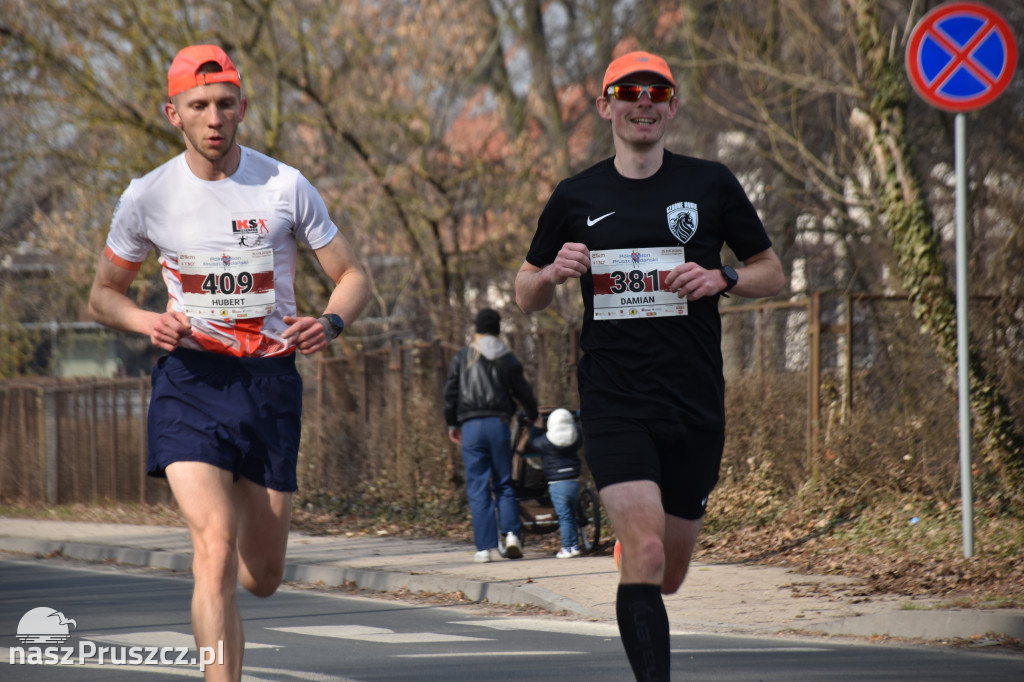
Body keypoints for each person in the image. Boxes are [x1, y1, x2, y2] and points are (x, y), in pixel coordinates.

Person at [87, 44, 370, 682]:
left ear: (242, 107)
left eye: (224, 104)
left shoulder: (283, 185)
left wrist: (329, 321)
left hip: (269, 384)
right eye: (198, 106)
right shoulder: (147, 196)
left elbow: (352, 274)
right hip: (190, 381)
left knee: (261, 577)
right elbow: (102, 295)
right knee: (212, 549)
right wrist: (146, 320)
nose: (213, 117)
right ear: (173, 114)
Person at [514, 51, 785, 680]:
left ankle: (632, 552)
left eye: (656, 92)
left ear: (671, 105)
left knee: (668, 573)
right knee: (649, 547)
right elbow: (525, 292)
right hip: (615, 400)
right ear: (606, 106)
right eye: (629, 91)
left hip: (693, 401)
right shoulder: (575, 195)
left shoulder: (710, 183)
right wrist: (553, 272)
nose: (644, 102)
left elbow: (771, 272)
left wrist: (722, 276)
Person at [443, 308, 539, 563]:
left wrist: (452, 423)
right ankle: (511, 537)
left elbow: (450, 393)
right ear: (497, 330)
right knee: (504, 483)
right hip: (498, 424)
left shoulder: (463, 357)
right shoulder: (505, 357)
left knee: (478, 487)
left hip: (471, 427)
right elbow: (523, 389)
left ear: (476, 329)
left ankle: (484, 549)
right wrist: (533, 414)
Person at [527, 408, 583, 558]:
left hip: (557, 484)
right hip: (573, 481)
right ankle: (575, 546)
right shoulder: (575, 437)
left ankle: (567, 547)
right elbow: (579, 432)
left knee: (564, 516)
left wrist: (537, 427)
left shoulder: (546, 441)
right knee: (571, 514)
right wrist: (574, 422)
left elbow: (533, 442)